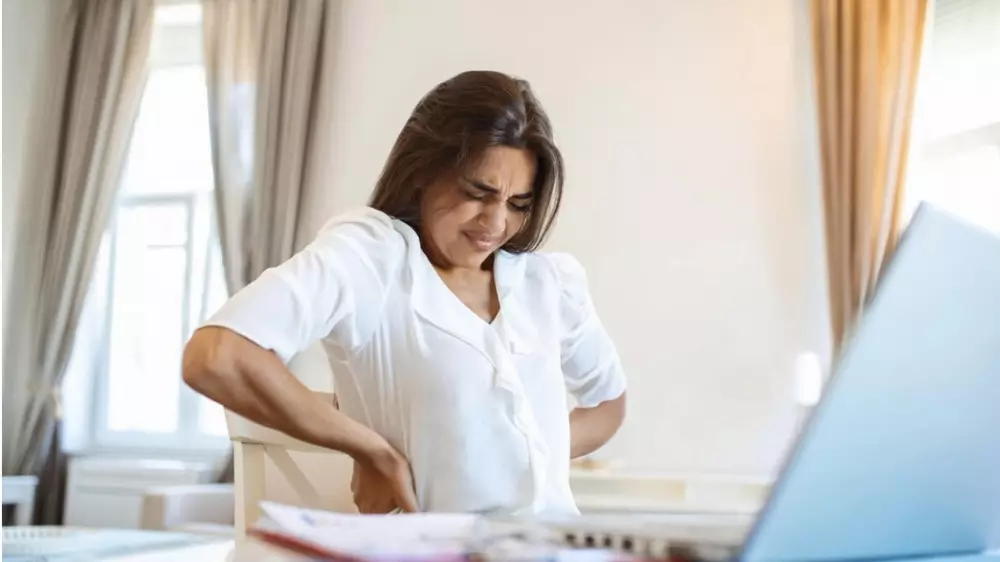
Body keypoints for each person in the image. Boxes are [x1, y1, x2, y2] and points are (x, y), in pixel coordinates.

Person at [182, 70, 626, 516]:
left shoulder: (547, 282)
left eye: (518, 204)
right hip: (429, 543)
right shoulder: (371, 258)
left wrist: (526, 454)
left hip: (554, 541)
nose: (495, 224)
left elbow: (608, 403)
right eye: (477, 193)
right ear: (422, 173)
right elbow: (217, 356)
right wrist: (369, 449)